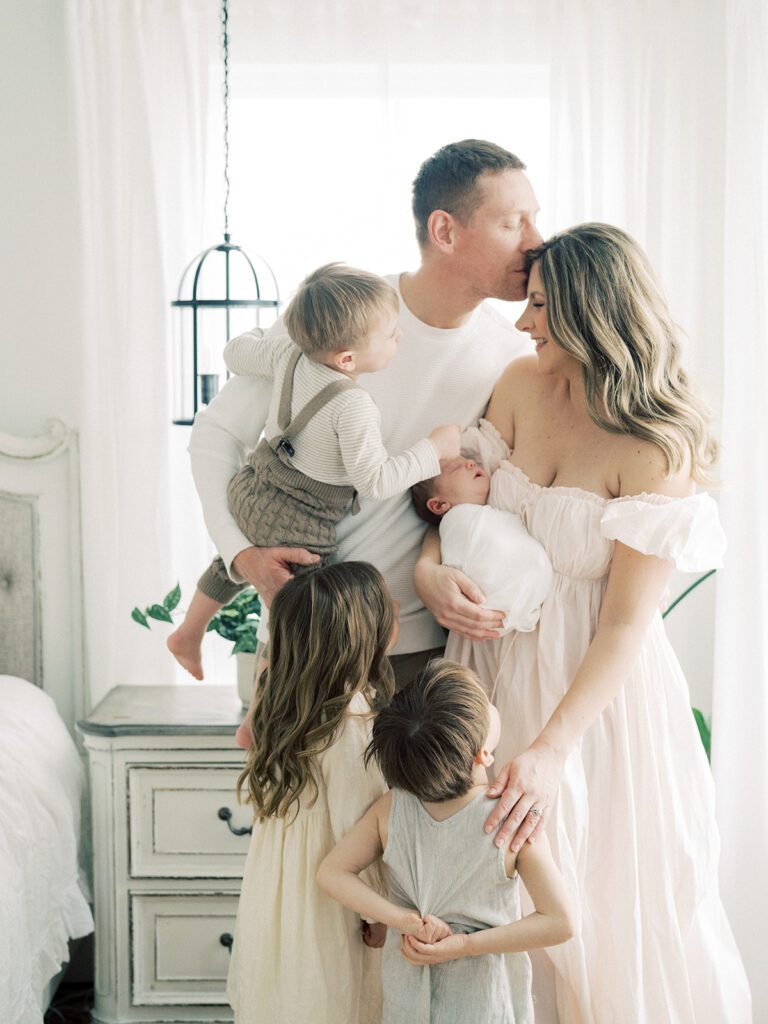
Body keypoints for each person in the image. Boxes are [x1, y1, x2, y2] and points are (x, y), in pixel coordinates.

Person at [416, 223, 751, 1022]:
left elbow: (628, 626)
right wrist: (431, 572)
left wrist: (551, 752)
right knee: (491, 899)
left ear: (592, 315)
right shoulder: (518, 385)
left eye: (539, 307)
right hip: (489, 673)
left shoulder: (654, 446)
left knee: (598, 909)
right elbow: (457, 507)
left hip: (593, 706)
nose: (524, 322)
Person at [188, 139, 541, 689]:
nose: (536, 243)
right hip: (306, 633)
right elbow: (216, 434)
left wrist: (429, 569)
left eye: (534, 221)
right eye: (513, 223)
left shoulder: (511, 356)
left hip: (426, 650)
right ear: (444, 231)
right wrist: (242, 555)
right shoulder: (341, 313)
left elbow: (483, 498)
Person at [169, 262, 460, 681]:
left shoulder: (289, 354)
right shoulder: (353, 406)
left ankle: (188, 633)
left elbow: (234, 354)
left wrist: (254, 335)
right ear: (347, 359)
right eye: (391, 334)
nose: (400, 337)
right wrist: (433, 450)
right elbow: (375, 480)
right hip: (301, 518)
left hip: (254, 489)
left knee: (231, 561)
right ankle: (263, 708)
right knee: (302, 609)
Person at [317, 658, 573, 1024]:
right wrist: (466, 945)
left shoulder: (390, 810)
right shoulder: (512, 818)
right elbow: (560, 922)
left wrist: (402, 920)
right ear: (483, 753)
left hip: (408, 1001)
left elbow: (332, 873)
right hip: (487, 1004)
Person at [227, 560, 395, 1024]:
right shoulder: (352, 722)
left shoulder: (286, 707)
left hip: (282, 898)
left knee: (289, 996)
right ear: (365, 636)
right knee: (335, 999)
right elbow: (360, 831)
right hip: (331, 906)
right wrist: (380, 912)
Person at [411, 447, 553, 636]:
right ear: (438, 505)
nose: (471, 463)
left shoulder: (482, 517)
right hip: (488, 615)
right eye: (455, 468)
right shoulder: (458, 522)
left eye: (468, 460)